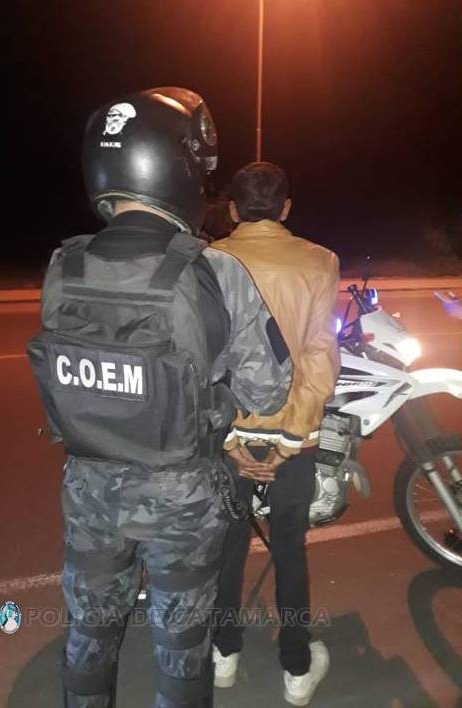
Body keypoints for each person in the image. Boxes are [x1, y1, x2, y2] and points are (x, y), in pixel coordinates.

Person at [28, 90, 293, 708]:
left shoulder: (64, 266)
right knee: (181, 649)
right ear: (177, 168)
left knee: (89, 634)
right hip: (182, 500)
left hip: (89, 491)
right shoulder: (215, 272)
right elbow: (269, 390)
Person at [211, 161, 340, 707]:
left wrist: (229, 441)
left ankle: (223, 655)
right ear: (286, 208)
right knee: (289, 547)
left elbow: (198, 362)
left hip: (227, 434)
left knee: (226, 545)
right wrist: (290, 440)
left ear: (232, 209)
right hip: (295, 435)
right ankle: (295, 670)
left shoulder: (206, 260)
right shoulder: (319, 261)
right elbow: (318, 357)